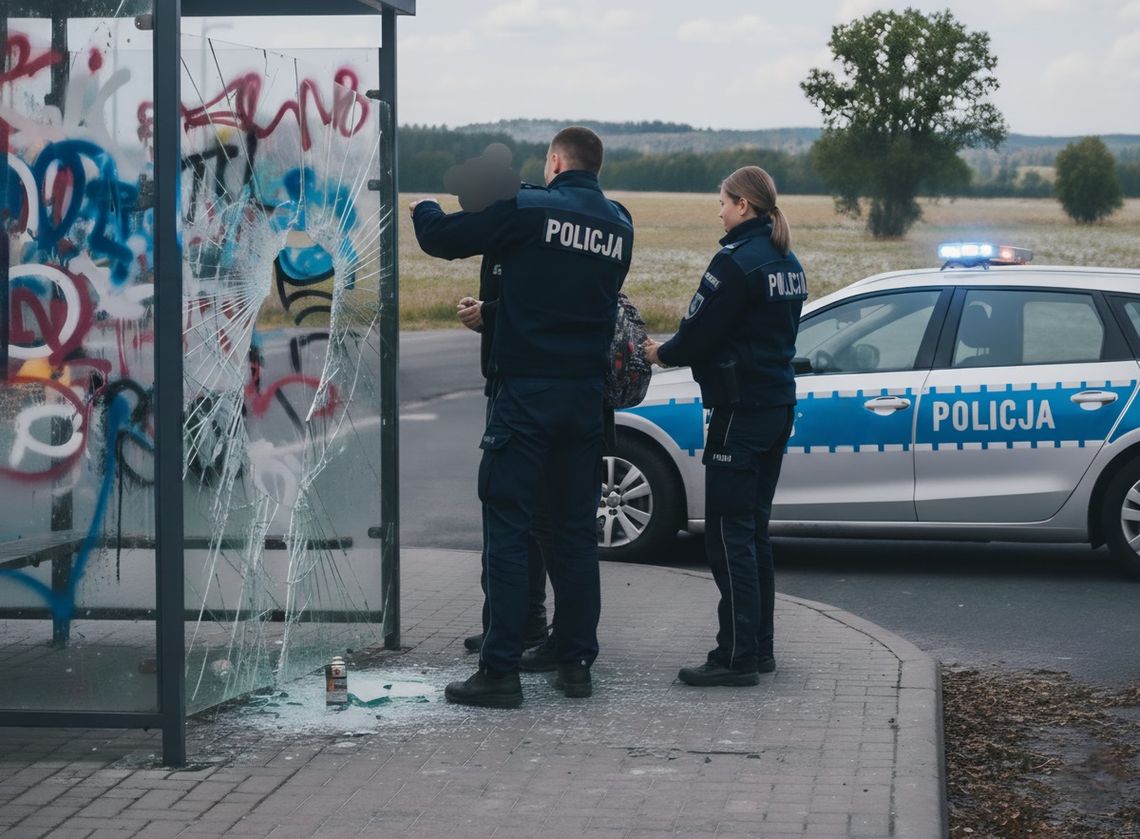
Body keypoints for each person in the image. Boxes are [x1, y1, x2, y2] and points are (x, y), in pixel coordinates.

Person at [411, 126, 634, 707]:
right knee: (575, 536)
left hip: (527, 395)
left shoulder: (531, 210)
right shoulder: (619, 223)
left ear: (555, 161)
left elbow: (445, 238)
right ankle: (575, 662)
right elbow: (567, 295)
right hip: (586, 400)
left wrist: (424, 206)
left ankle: (500, 669)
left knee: (509, 528)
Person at [644, 166, 805, 687]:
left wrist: (661, 353)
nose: (719, 210)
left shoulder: (735, 263)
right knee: (753, 532)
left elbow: (697, 334)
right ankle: (759, 649)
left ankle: (735, 656)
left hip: (740, 412)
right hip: (777, 406)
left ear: (743, 205)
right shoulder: (787, 260)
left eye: (723, 201)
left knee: (726, 535)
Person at [455, 259, 551, 655]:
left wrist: (489, 312)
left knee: (512, 516)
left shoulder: (523, 230)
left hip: (518, 388)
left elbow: (541, 303)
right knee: (515, 518)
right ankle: (506, 622)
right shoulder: (505, 240)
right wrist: (484, 309)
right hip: (506, 381)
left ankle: (519, 627)